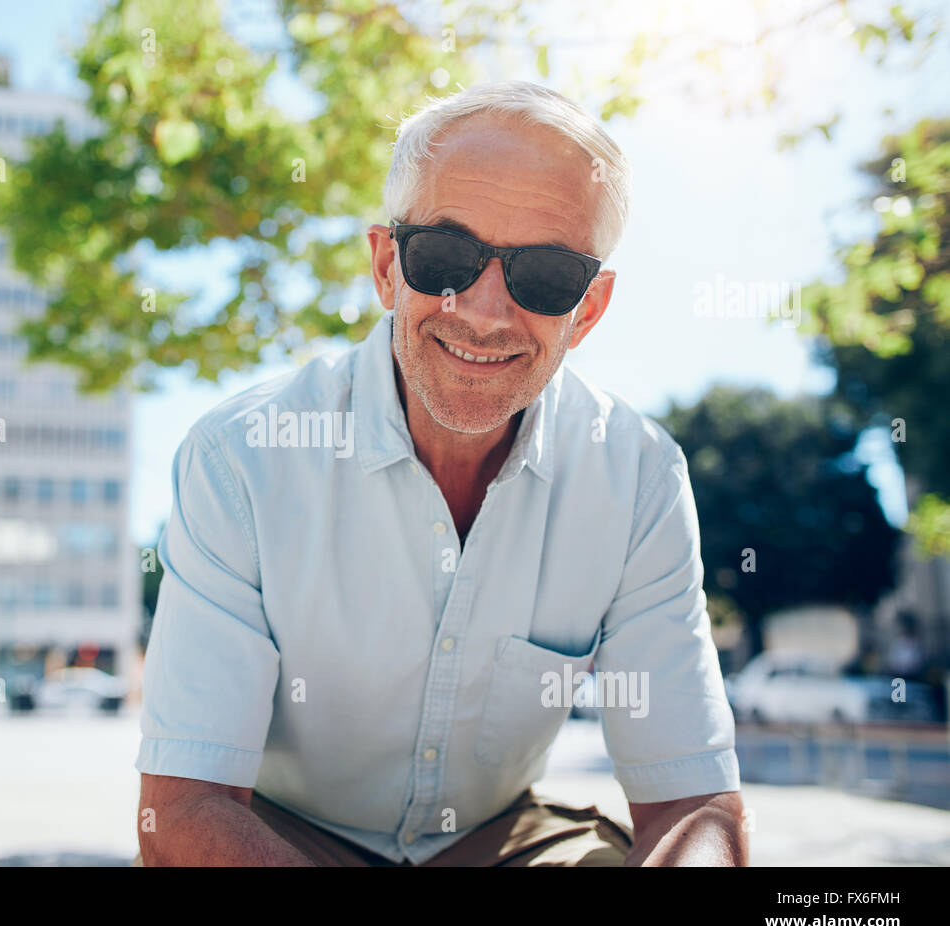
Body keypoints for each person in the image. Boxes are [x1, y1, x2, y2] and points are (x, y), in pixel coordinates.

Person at [134, 80, 747, 866]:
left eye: (548, 275)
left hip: (505, 838)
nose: (485, 312)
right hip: (278, 834)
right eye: (447, 256)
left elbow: (693, 801)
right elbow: (186, 807)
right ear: (388, 266)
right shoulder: (239, 459)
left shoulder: (640, 480)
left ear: (587, 312)